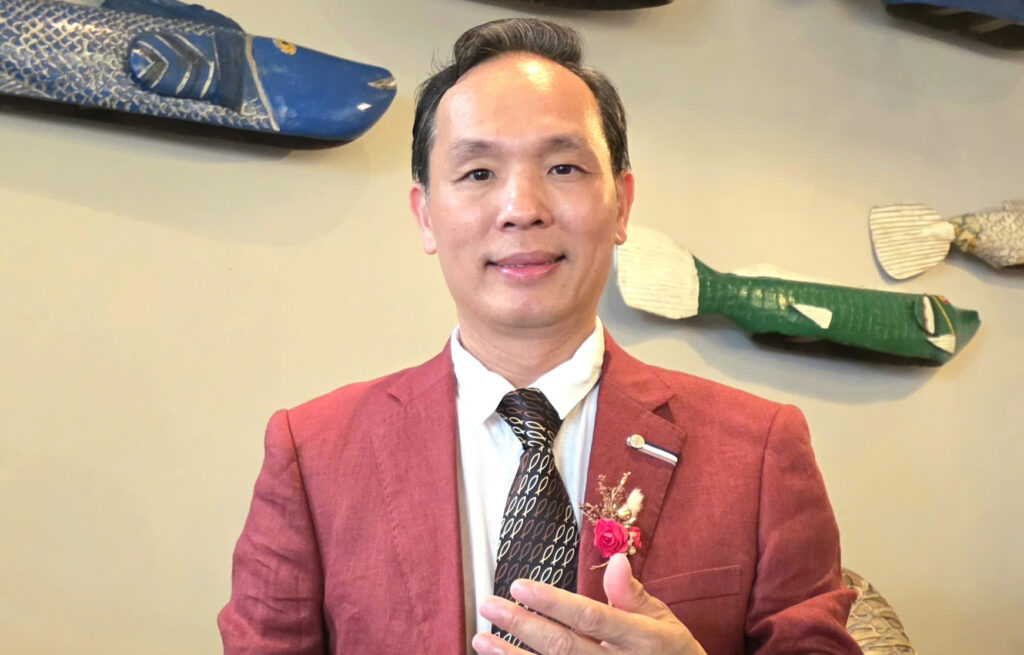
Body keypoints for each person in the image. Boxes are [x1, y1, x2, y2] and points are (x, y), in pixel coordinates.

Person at [218, 18, 862, 655]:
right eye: (478, 174)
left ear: (622, 205)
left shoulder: (759, 449)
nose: (523, 209)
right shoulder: (313, 452)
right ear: (426, 216)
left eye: (563, 167)